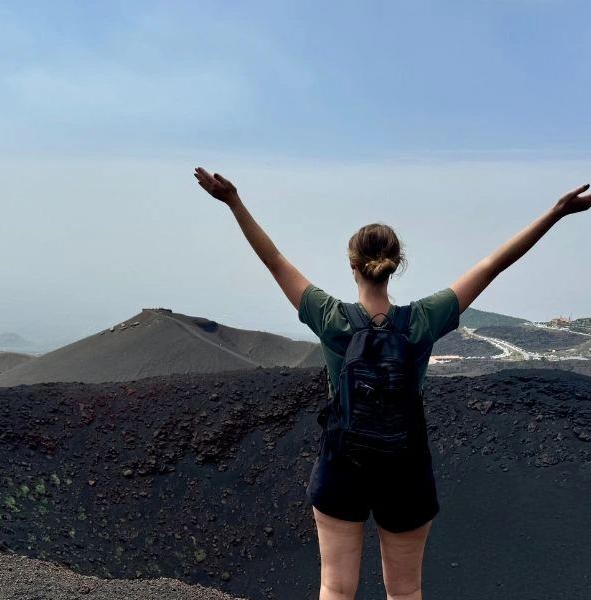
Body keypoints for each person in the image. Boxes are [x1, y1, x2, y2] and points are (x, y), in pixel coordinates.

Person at [192, 167, 590, 600]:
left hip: (342, 464)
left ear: (352, 266)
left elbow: (274, 260)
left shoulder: (332, 319)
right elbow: (493, 264)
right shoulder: (422, 320)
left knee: (335, 588)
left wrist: (234, 202)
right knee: (404, 592)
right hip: (407, 469)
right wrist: (555, 213)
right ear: (396, 265)